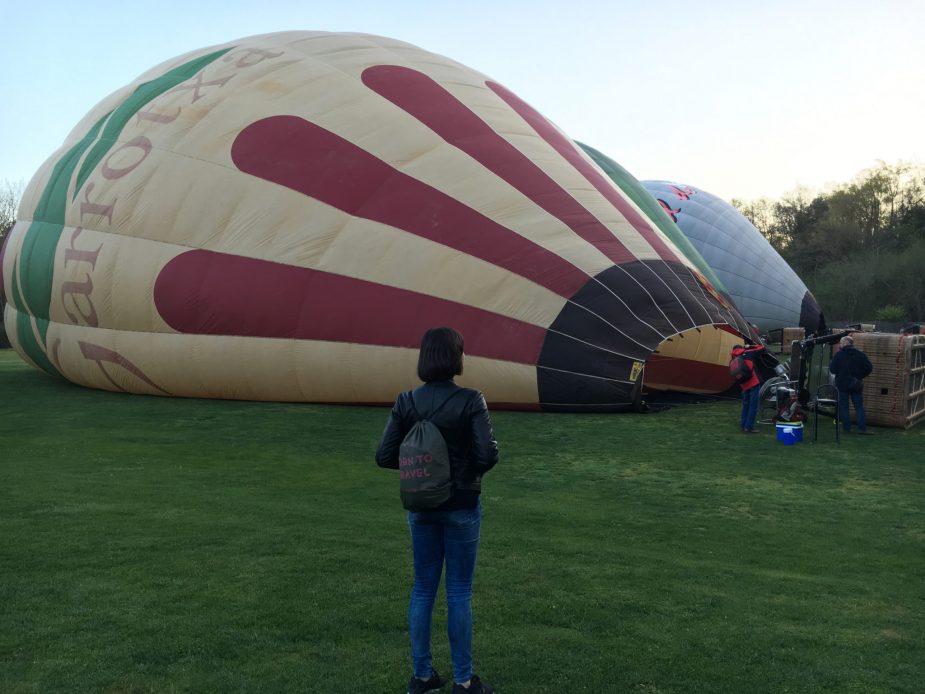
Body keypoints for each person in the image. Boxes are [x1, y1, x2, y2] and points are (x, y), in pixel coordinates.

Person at [376, 327, 499, 694]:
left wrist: (422, 471)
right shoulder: (471, 399)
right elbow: (487, 454)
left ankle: (423, 676)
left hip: (421, 506)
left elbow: (384, 456)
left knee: (423, 589)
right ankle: (463, 680)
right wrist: (464, 475)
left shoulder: (405, 401)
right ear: (456, 357)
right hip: (461, 504)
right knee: (459, 590)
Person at [829, 335, 874, 434]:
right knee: (859, 406)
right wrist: (860, 376)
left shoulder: (838, 355)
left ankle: (847, 428)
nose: (840, 345)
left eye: (841, 343)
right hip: (856, 384)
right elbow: (869, 367)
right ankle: (862, 428)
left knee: (844, 406)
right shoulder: (860, 354)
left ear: (844, 343)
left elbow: (832, 369)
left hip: (842, 384)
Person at [730, 344, 765, 433]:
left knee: (746, 405)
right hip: (753, 383)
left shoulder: (733, 358)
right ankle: (749, 427)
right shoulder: (747, 353)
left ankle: (743, 425)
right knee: (753, 406)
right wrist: (749, 346)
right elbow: (761, 348)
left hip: (744, 385)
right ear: (741, 348)